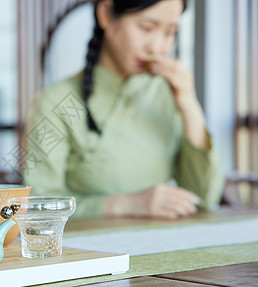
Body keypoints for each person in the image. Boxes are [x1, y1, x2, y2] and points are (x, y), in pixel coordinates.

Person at [22, 0, 224, 219]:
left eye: (170, 32)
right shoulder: (55, 101)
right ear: (106, 14)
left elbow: (205, 197)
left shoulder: (169, 93)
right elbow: (36, 205)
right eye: (146, 28)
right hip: (88, 248)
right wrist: (123, 204)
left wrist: (190, 106)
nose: (156, 47)